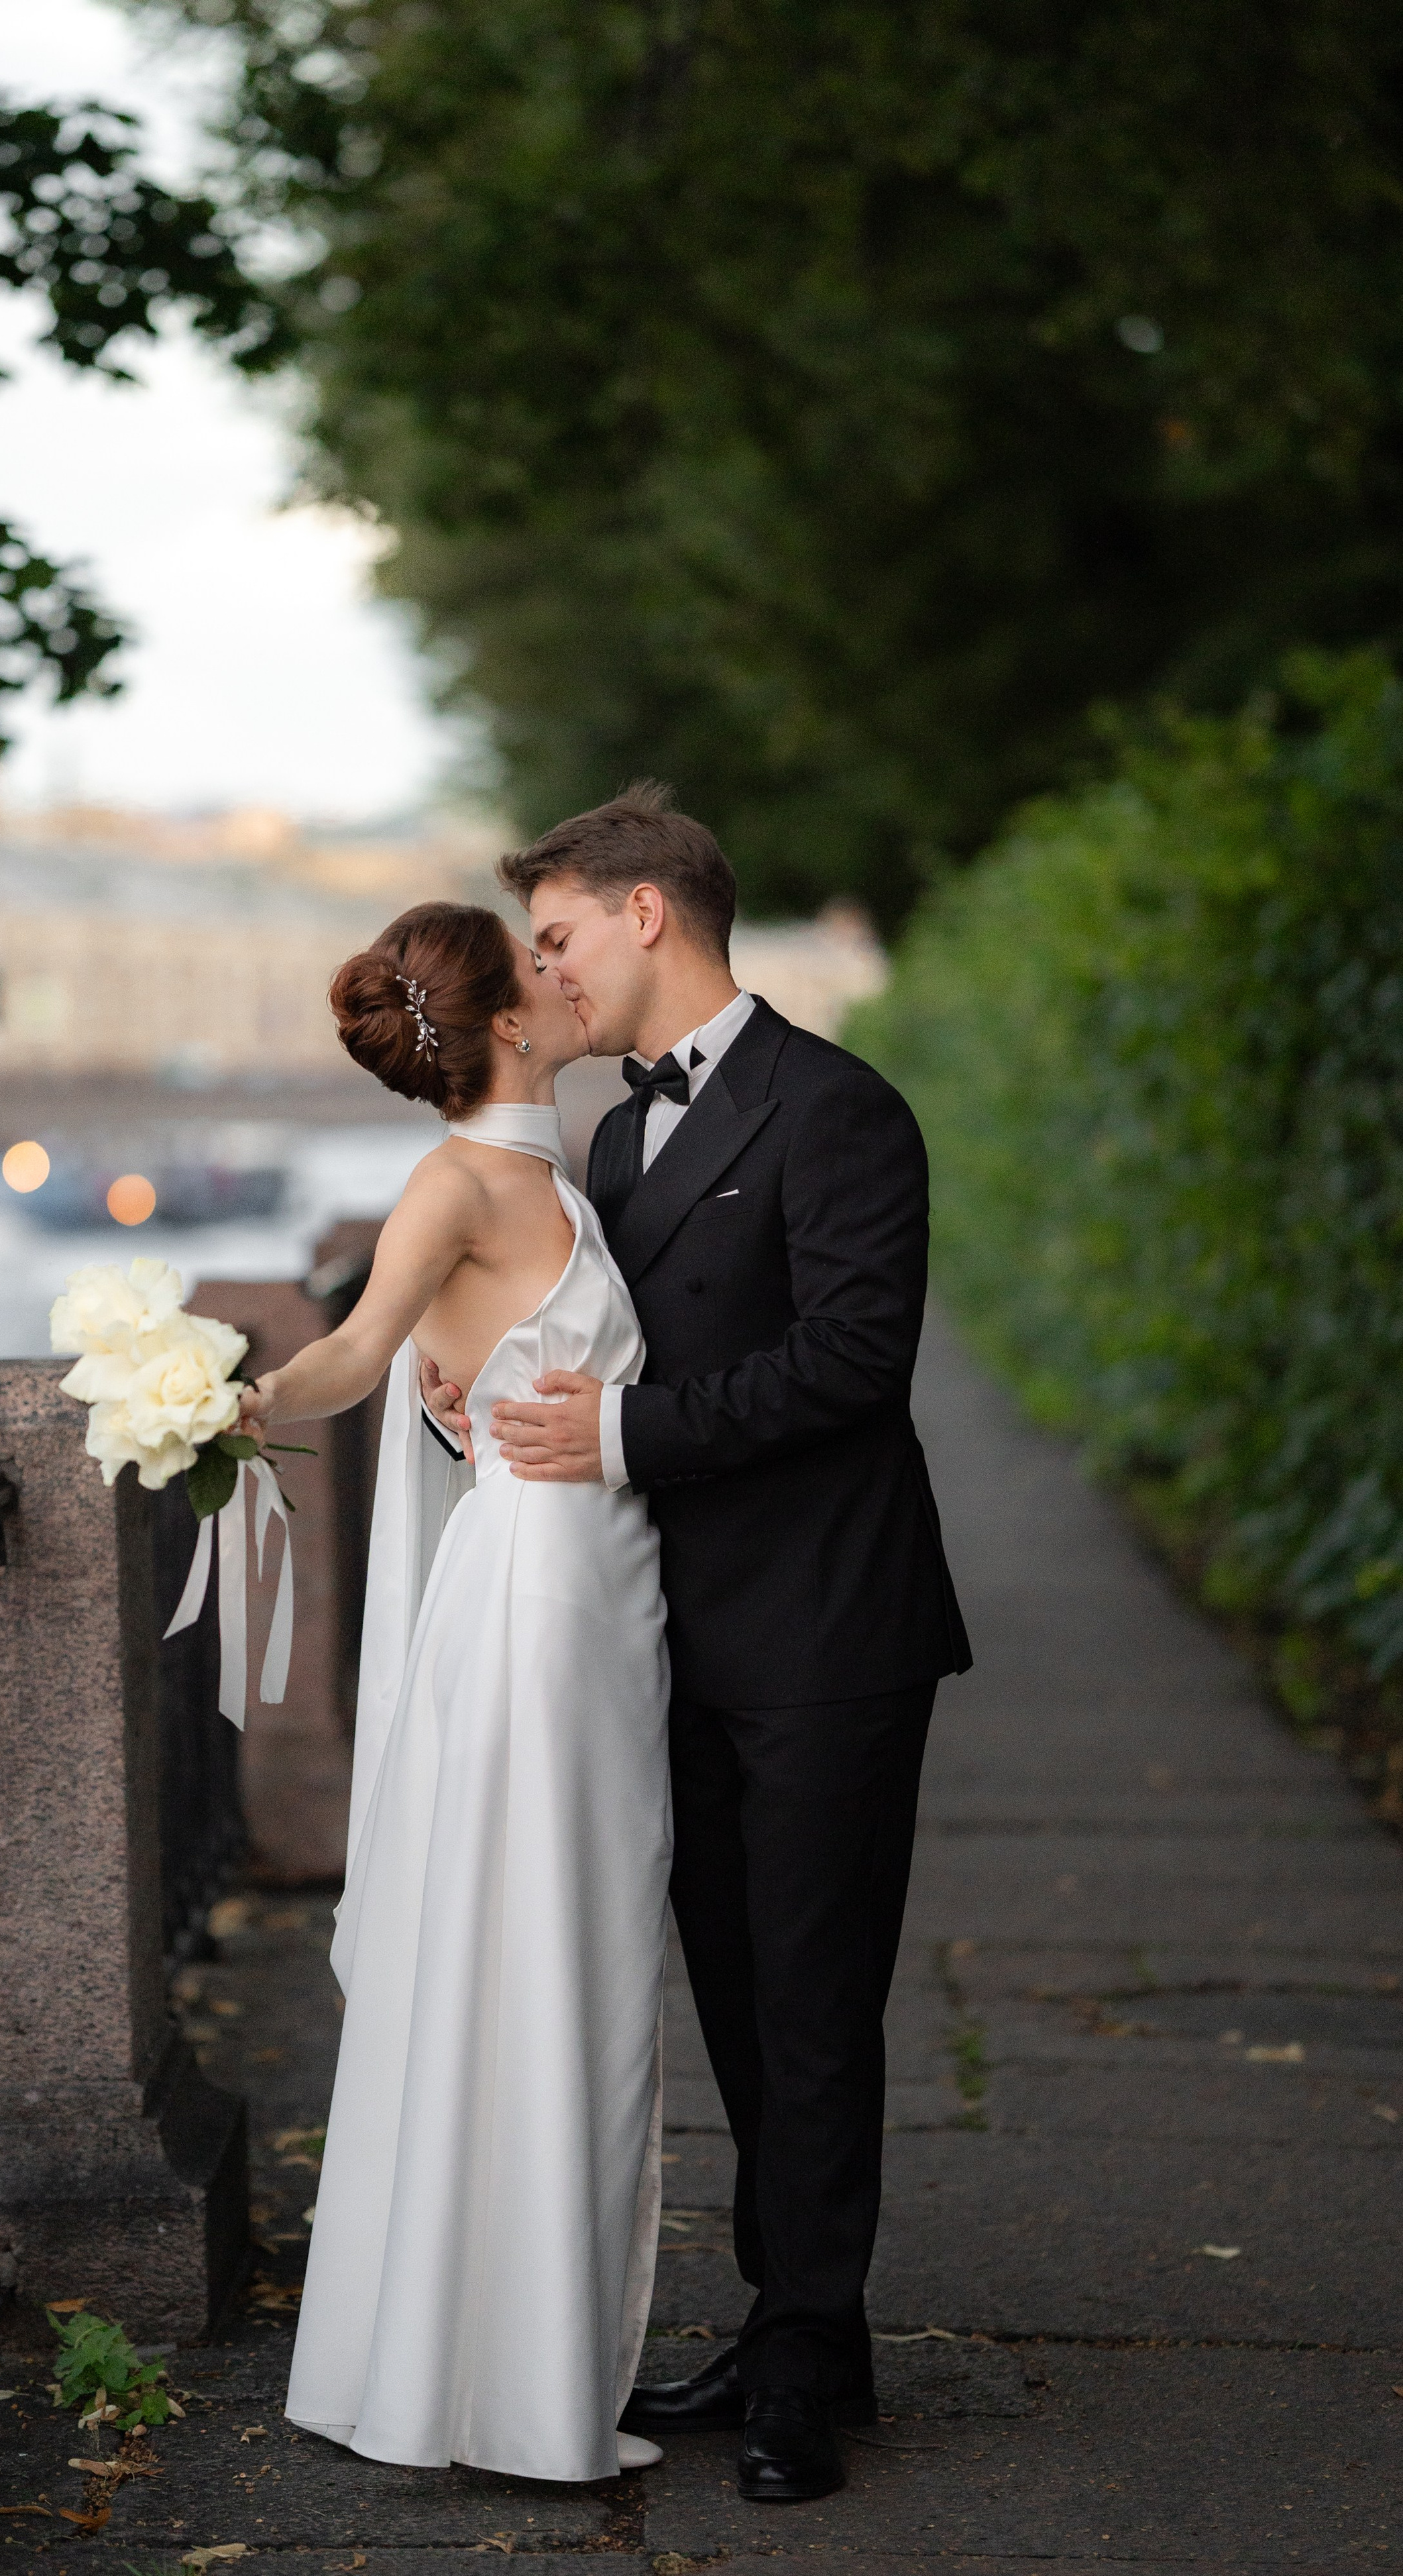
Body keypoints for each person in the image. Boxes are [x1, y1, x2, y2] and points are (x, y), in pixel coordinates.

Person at [423, 784, 970, 2504]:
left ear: (648, 914)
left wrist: (624, 1434)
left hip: (825, 1632)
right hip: (663, 1639)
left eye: (564, 936)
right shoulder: (605, 1143)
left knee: (811, 2003)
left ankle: (811, 2357)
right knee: (732, 1992)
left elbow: (853, 1362)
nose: (552, 974)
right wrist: (480, 1412)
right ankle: (792, 2319)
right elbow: (577, 1356)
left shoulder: (842, 1109)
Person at [238, 900, 673, 2485]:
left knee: (586, 1957)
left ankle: (517, 2364)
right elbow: (356, 1347)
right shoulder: (461, 1181)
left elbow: (477, 1372)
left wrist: (462, 1394)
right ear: (502, 1021)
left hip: (599, 1590)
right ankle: (503, 2390)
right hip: (539, 1601)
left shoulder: (561, 1170)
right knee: (544, 1956)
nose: (566, 978)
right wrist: (228, 1398)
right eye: (539, 965)